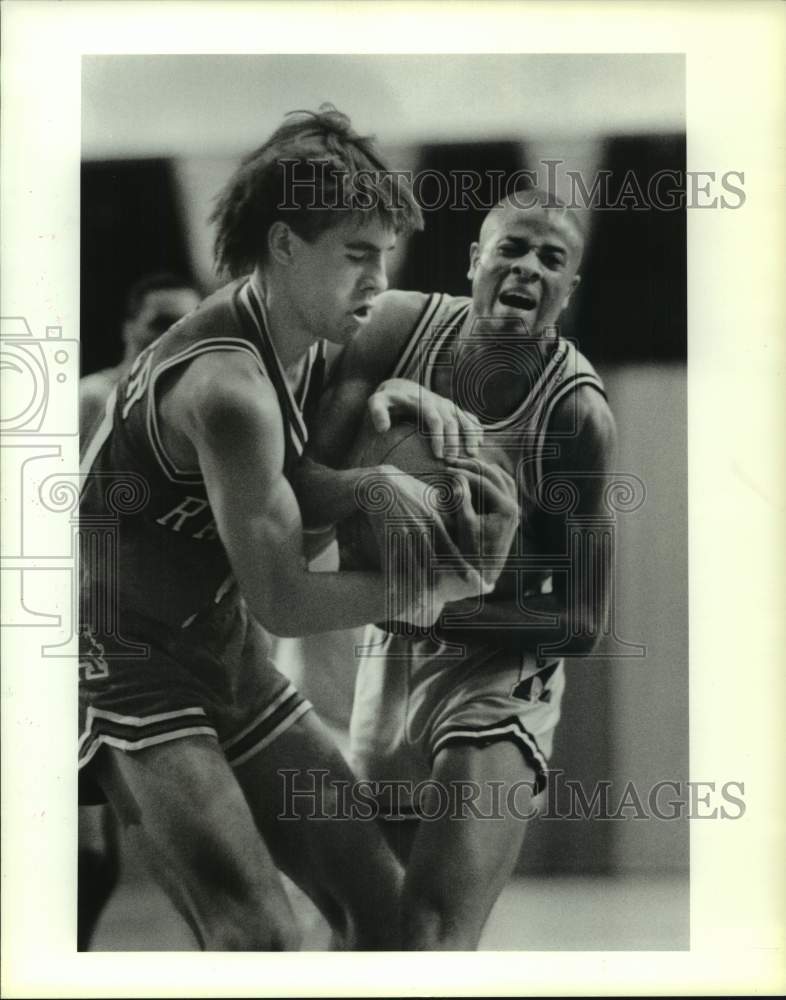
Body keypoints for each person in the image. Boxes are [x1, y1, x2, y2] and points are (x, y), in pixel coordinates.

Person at [78, 106, 499, 951]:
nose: (379, 278)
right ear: (283, 246)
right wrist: (432, 585)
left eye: (386, 254)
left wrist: (387, 452)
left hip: (217, 646)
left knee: (389, 920)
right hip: (121, 659)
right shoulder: (228, 389)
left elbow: (291, 483)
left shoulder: (304, 332)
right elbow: (285, 601)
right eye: (357, 255)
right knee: (260, 936)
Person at [304, 185, 617, 949]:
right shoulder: (394, 327)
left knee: (432, 932)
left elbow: (580, 620)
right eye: (513, 248)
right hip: (393, 652)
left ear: (569, 290)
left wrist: (435, 599)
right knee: (374, 935)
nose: (529, 268)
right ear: (475, 260)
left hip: (500, 669)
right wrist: (390, 416)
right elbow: (309, 491)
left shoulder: (576, 412)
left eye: (552, 259)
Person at [78, 272, 202, 951]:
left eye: (185, 324)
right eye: (159, 322)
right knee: (88, 853)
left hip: (141, 647)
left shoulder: (179, 417)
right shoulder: (91, 400)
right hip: (79, 642)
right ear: (129, 327)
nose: (171, 337)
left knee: (109, 849)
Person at [79, 273, 202, 439]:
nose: (175, 335)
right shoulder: (94, 397)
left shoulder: (193, 404)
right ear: (128, 328)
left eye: (187, 324)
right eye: (162, 324)